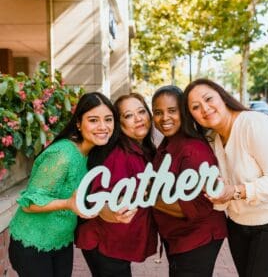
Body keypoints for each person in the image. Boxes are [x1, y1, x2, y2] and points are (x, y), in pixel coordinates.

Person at [182, 78, 268, 277]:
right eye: (195, 107)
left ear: (223, 96)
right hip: (239, 225)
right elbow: (221, 188)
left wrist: (236, 191)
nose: (205, 108)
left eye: (208, 98)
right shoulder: (212, 139)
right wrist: (213, 191)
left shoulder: (254, 124)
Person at [9, 92, 118, 277]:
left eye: (108, 119)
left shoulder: (93, 153)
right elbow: (29, 204)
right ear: (78, 123)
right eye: (93, 120)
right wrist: (67, 203)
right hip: (32, 243)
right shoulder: (63, 155)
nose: (103, 127)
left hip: (60, 241)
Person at [76, 93, 158, 277]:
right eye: (128, 116)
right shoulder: (119, 154)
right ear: (120, 124)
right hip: (104, 243)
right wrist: (114, 208)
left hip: (118, 242)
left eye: (141, 111)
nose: (138, 119)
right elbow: (100, 199)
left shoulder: (142, 149)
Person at [151, 85, 227, 277]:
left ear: (184, 112)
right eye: (158, 112)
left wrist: (147, 197)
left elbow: (195, 207)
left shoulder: (193, 150)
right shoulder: (167, 143)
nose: (164, 118)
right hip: (178, 237)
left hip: (196, 238)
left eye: (172, 111)